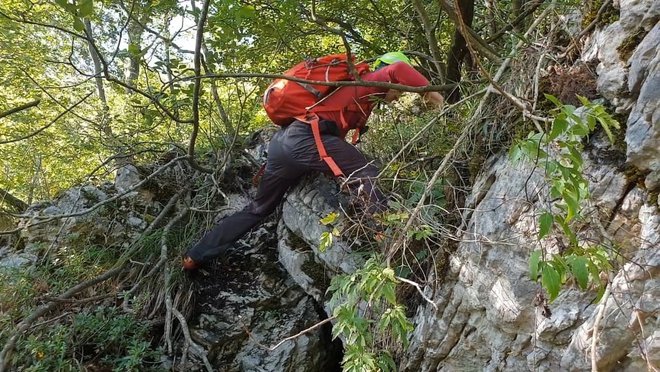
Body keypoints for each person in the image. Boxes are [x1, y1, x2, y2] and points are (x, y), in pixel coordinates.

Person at [183, 52, 444, 269]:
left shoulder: (351, 95)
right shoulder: (368, 81)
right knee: (365, 170)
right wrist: (439, 101)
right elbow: (398, 69)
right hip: (306, 139)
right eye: (398, 91)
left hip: (282, 145)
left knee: (259, 208)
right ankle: (392, 237)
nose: (397, 95)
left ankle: (196, 256)